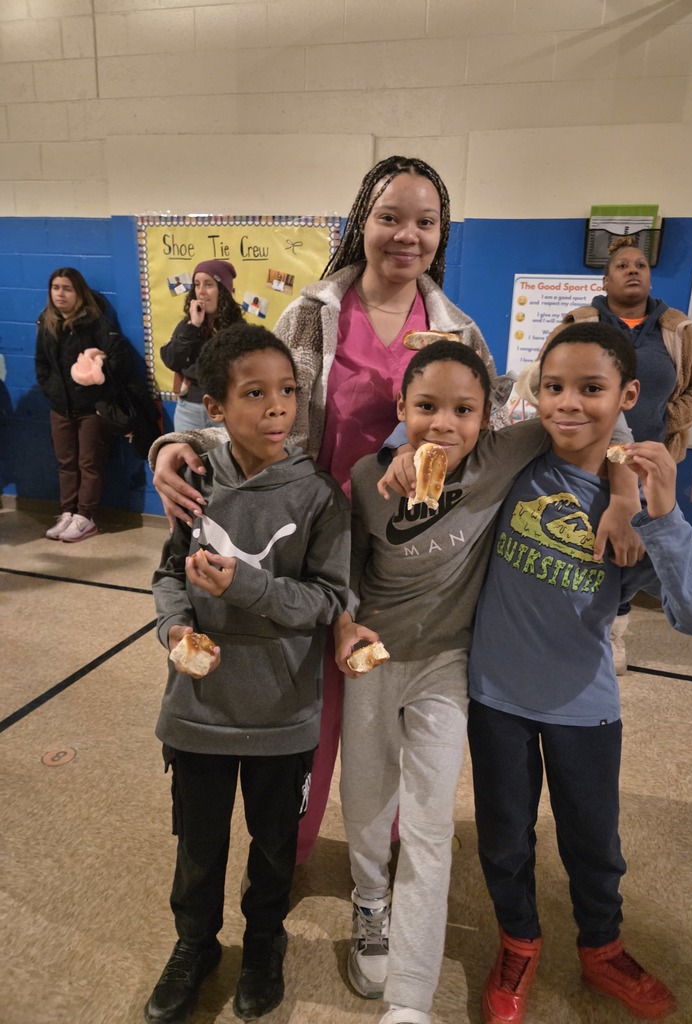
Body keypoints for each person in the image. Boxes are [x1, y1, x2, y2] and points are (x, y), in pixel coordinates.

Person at [150, 155, 512, 864]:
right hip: (309, 542)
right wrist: (178, 441)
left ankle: (384, 860)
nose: (407, 234)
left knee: (389, 719)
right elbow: (257, 404)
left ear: (442, 233)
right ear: (362, 223)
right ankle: (292, 849)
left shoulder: (458, 334)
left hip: (406, 557)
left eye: (426, 221)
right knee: (309, 713)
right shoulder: (310, 313)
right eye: (390, 217)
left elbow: (486, 437)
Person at [333, 338, 638, 1024]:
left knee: (432, 823)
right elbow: (344, 574)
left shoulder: (504, 455)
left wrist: (622, 495)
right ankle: (370, 899)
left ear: (489, 416)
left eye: (463, 409)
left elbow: (603, 423)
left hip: (448, 661)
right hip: (377, 657)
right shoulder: (365, 477)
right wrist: (342, 627)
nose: (443, 424)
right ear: (401, 409)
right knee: (367, 801)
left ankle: (409, 999)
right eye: (426, 408)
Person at [467, 322, 692, 1024]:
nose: (568, 404)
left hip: (584, 705)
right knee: (503, 834)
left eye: (591, 389)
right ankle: (518, 939)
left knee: (593, 841)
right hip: (495, 696)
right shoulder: (518, 459)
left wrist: (660, 512)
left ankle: (602, 947)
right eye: (554, 387)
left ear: (628, 395)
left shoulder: (639, 503)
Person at [146, 324, 349, 1024]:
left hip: (281, 717)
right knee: (198, 848)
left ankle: (264, 941)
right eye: (255, 394)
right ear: (215, 407)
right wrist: (174, 625)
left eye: (288, 392)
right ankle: (194, 946)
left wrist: (247, 589)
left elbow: (328, 602)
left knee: (272, 849)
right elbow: (169, 574)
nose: (276, 409)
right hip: (199, 709)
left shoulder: (318, 496)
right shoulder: (194, 485)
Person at [516, 236, 692, 673]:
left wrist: (670, 420)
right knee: (579, 540)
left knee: (627, 548)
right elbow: (546, 378)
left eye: (641, 265)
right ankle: (561, 622)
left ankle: (614, 634)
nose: (633, 270)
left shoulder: (678, 331)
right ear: (606, 278)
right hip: (587, 460)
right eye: (623, 265)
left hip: (645, 464)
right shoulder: (578, 323)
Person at [34, 266, 135, 542]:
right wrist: (52, 390)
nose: (61, 294)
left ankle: (85, 516)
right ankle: (67, 511)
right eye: (56, 288)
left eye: (67, 288)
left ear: (79, 292)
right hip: (61, 407)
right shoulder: (46, 322)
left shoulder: (95, 323)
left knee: (88, 462)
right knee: (65, 462)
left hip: (91, 409)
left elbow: (118, 359)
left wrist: (96, 388)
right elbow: (41, 364)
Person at [160, 259, 244, 431]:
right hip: (189, 410)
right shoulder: (189, 325)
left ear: (223, 290)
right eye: (197, 285)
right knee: (187, 457)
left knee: (225, 458)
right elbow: (172, 360)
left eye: (208, 285)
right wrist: (193, 326)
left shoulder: (238, 328)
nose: (201, 292)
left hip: (225, 409)